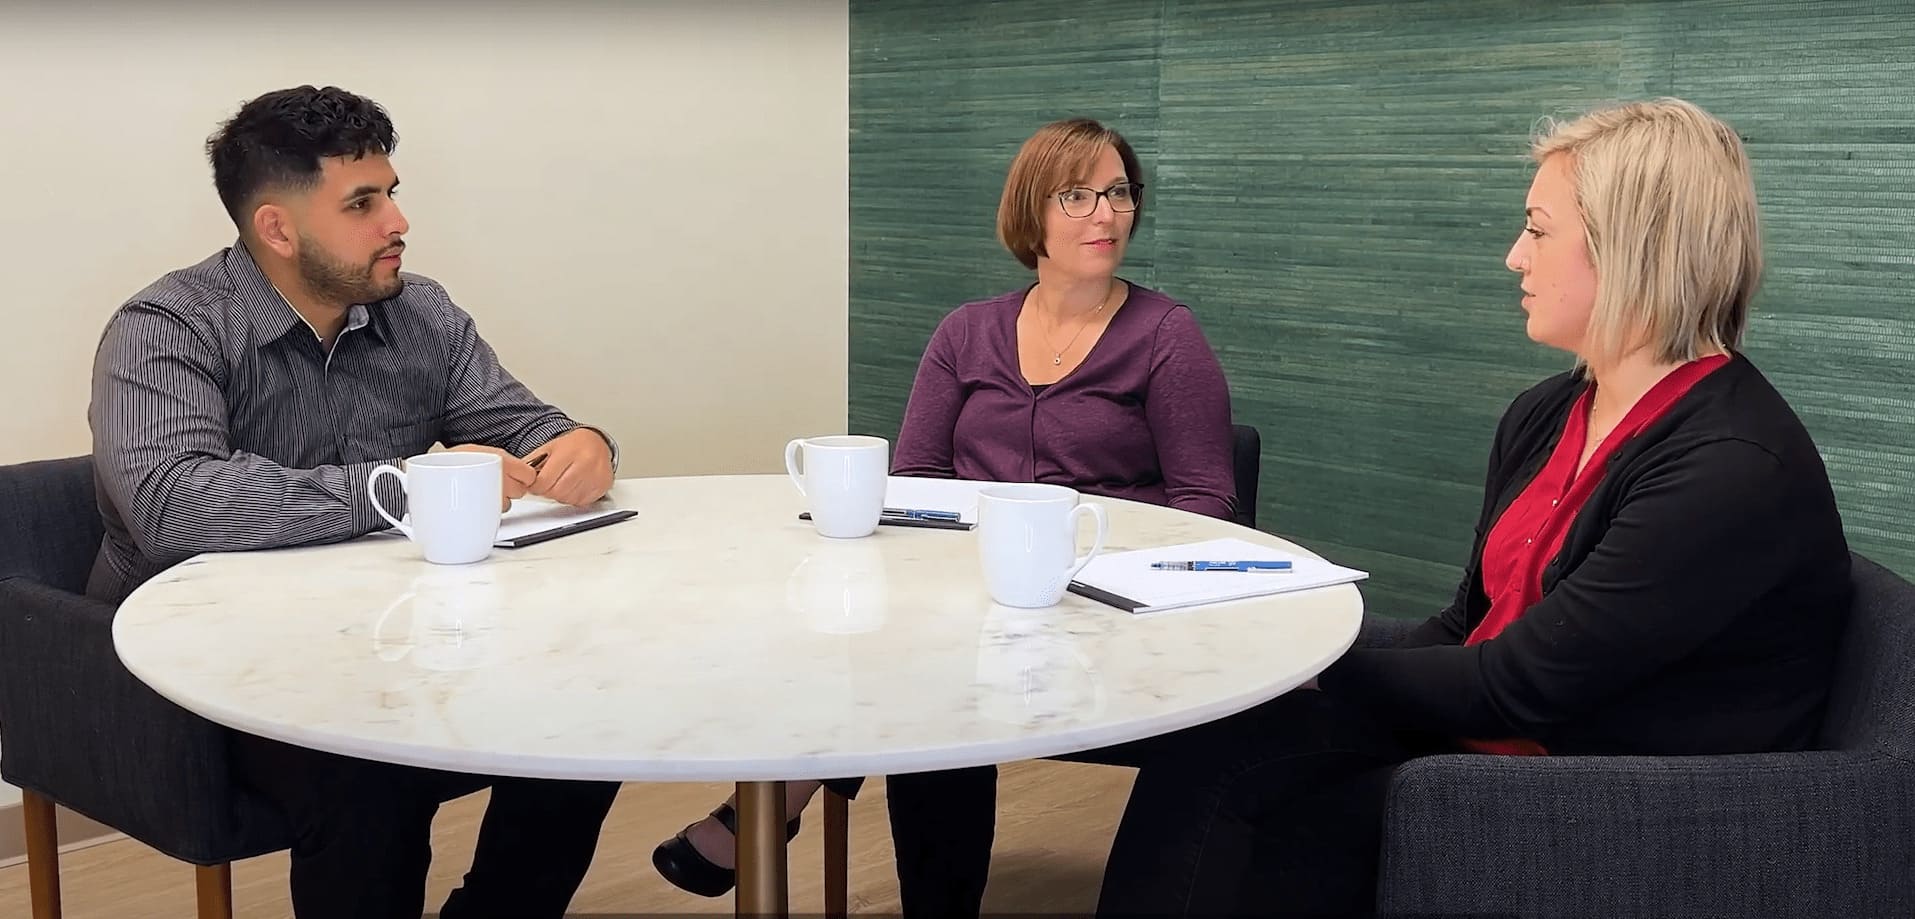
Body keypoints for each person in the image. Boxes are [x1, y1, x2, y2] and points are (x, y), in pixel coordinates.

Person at [1091, 97, 1853, 918]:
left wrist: (1293, 662)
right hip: (1503, 740)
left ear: (1630, 250)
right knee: (1209, 752)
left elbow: (1519, 686)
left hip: (1609, 798)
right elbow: (1469, 624)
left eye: (1536, 228)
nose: (1511, 257)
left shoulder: (1727, 467)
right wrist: (1284, 671)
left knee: (1261, 803)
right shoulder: (1549, 410)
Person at [650, 117, 1239, 909]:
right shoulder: (969, 332)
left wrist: (1077, 559)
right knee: (913, 664)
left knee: (919, 677)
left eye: (1118, 193)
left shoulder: (1165, 334)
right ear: (1031, 212)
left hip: (1098, 611)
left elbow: (1206, 505)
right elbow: (918, 477)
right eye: (1077, 195)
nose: (1105, 214)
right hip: (965, 595)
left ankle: (765, 807)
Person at [87, 84, 623, 919]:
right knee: (368, 773)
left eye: (392, 194)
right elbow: (173, 505)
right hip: (203, 664)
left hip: (387, 639)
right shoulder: (168, 327)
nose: (396, 223)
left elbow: (527, 427)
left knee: (592, 712)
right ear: (277, 227)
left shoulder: (420, 312)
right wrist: (401, 484)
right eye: (362, 203)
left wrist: (584, 443)